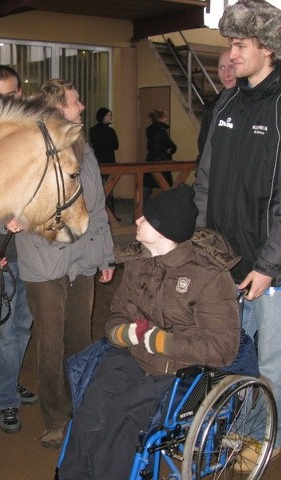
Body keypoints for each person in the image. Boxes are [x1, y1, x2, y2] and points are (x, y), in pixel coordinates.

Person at [193, 0, 281, 471]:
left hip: (275, 270)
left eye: (239, 45)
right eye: (230, 44)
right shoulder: (228, 102)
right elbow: (206, 180)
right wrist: (204, 247)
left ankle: (265, 437)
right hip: (228, 261)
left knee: (271, 361)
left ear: (267, 48)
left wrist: (268, 265)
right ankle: (238, 424)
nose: (230, 55)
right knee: (233, 352)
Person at [57, 184, 241, 480]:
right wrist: (122, 333)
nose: (138, 221)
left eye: (146, 219)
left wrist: (162, 341)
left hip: (177, 372)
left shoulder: (209, 277)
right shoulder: (138, 265)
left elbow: (222, 348)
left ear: (163, 230)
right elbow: (116, 315)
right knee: (90, 406)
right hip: (132, 358)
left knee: (120, 419)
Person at [15, 79, 115, 449]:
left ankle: (81, 405)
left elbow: (98, 208)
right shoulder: (28, 150)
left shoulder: (85, 152)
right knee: (51, 344)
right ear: (58, 109)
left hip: (82, 260)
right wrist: (5, 222)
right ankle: (55, 418)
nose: (82, 108)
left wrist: (105, 256)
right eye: (76, 102)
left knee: (80, 339)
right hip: (44, 263)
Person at [0, 65, 37, 434]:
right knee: (1, 331)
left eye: (8, 94)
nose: (1, 102)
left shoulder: (32, 135)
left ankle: (7, 380)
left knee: (23, 324)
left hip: (31, 253)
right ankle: (5, 399)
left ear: (19, 94)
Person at [196, 48, 235, 162]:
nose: (226, 74)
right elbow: (204, 149)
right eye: (222, 67)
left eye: (231, 67)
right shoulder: (213, 106)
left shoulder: (254, 104)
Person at [88, 107, 119, 218]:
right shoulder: (94, 130)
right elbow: (98, 145)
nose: (110, 117)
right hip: (100, 161)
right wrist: (107, 145)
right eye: (108, 115)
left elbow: (116, 145)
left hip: (109, 160)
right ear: (102, 116)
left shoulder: (111, 130)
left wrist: (106, 145)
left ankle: (111, 214)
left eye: (110, 115)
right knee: (100, 188)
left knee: (110, 188)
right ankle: (101, 213)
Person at [143, 109, 176, 203]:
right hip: (162, 161)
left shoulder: (149, 130)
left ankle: (139, 212)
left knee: (147, 187)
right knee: (167, 187)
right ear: (161, 118)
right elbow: (171, 146)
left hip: (150, 160)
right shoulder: (162, 131)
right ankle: (170, 209)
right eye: (165, 117)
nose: (166, 119)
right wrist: (169, 151)